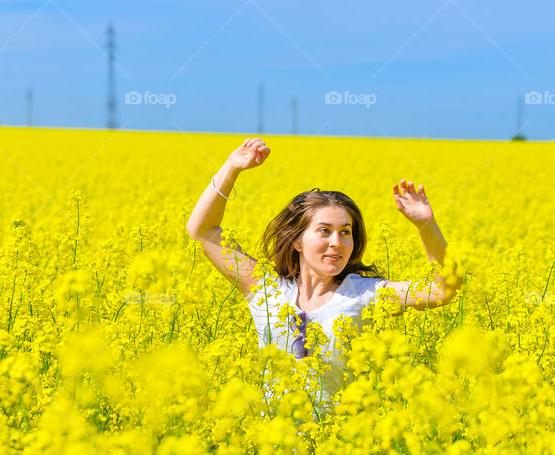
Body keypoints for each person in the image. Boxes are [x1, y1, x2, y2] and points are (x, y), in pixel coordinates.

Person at [186, 137, 461, 415]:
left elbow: (442, 291)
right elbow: (202, 231)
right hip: (273, 449)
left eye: (345, 232)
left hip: (343, 450)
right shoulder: (266, 291)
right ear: (296, 241)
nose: (337, 242)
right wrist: (232, 168)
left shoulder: (365, 294)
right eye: (324, 230)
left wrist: (427, 225)